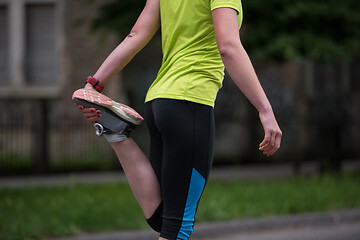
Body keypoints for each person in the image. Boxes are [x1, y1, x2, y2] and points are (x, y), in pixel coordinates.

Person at [74, 0, 282, 239]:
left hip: (159, 101)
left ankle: (117, 133)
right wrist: (265, 110)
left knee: (162, 218)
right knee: (177, 227)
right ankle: (116, 133)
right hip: (190, 102)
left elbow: (135, 35)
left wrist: (94, 84)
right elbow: (228, 47)